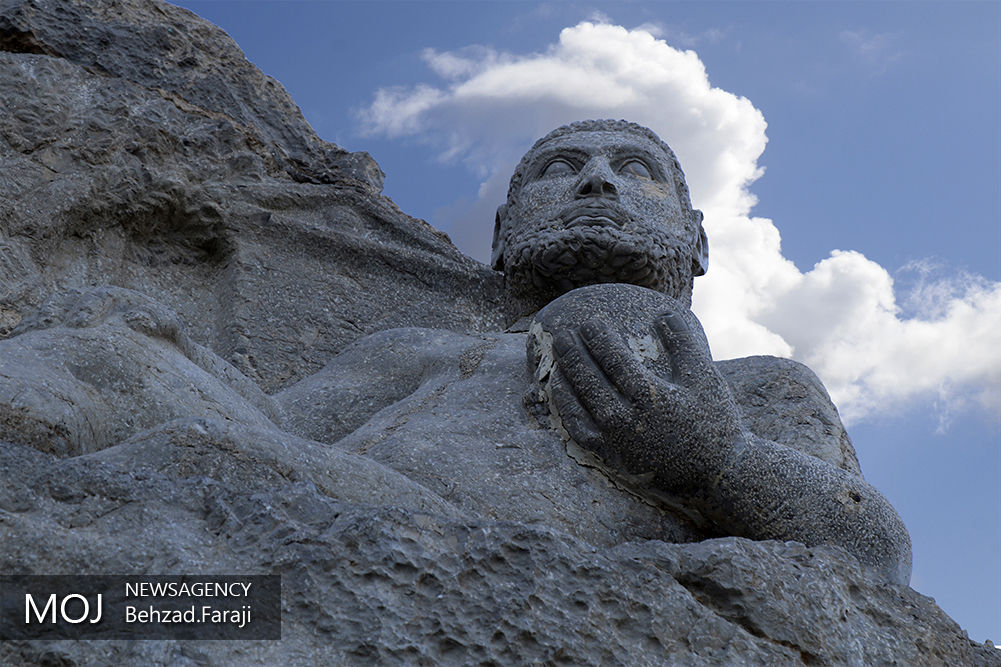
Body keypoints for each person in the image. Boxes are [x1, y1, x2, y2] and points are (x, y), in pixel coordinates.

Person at [0, 120, 911, 584]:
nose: (596, 177)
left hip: (482, 566)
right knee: (110, 335)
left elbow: (874, 558)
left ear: (697, 240)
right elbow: (273, 429)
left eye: (636, 169)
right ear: (503, 236)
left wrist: (719, 462)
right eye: (560, 168)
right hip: (328, 517)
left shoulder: (753, 385)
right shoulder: (412, 352)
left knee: (202, 454)